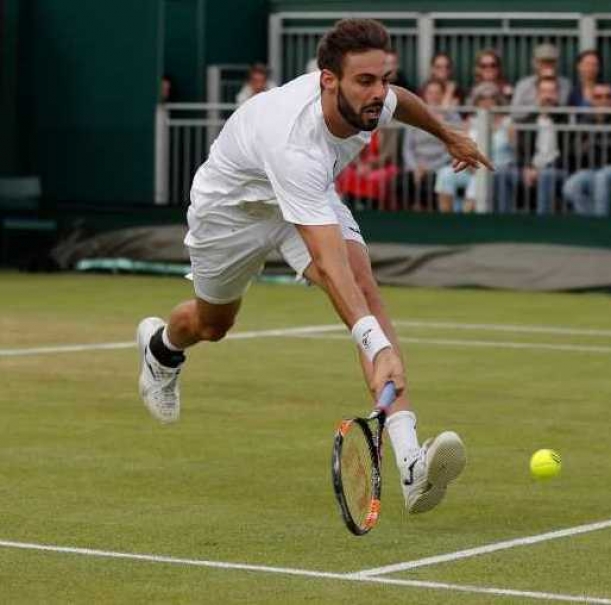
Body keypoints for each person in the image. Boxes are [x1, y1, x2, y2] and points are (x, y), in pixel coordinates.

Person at [136, 19, 491, 514]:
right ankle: (162, 351)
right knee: (212, 324)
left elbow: (402, 101)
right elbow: (327, 266)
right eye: (364, 82)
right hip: (232, 211)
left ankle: (411, 461)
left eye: (382, 78)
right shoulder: (294, 143)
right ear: (329, 80)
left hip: (304, 195)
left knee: (367, 291)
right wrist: (374, 343)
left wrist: (447, 133)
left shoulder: (375, 97)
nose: (378, 92)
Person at [434, 83, 514, 213]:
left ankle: (466, 222)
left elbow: (513, 152)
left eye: (492, 97)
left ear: (498, 100)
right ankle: (446, 219)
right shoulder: (469, 122)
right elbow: (461, 147)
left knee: (479, 180)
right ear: (477, 101)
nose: (487, 101)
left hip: (496, 169)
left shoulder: (508, 123)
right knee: (445, 174)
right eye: (482, 98)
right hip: (470, 168)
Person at [562, 82, 611, 216]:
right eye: (598, 97)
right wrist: (597, 144)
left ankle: (601, 221)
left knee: (602, 177)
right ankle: (591, 220)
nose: (603, 101)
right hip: (589, 169)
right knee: (570, 188)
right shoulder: (585, 120)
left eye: (607, 96)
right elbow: (575, 149)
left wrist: (591, 142)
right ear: (592, 100)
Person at [400, 80, 459, 211]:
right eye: (430, 93)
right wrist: (415, 167)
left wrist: (428, 168)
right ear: (424, 95)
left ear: (443, 95)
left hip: (439, 166)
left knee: (436, 179)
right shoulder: (414, 115)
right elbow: (407, 148)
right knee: (401, 181)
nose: (434, 96)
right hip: (416, 167)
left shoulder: (451, 117)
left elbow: (451, 149)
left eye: (438, 93)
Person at [518, 76, 568, 215]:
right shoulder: (527, 120)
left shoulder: (566, 119)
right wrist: (527, 167)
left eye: (551, 92)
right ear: (537, 94)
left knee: (546, 175)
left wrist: (540, 170)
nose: (548, 96)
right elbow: (520, 151)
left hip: (558, 169)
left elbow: (571, 153)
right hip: (530, 168)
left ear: (558, 95)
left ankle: (543, 223)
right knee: (502, 174)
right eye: (544, 92)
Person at [511, 42, 571, 120]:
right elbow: (514, 113)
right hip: (529, 128)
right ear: (534, 63)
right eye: (543, 62)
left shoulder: (565, 84)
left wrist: (555, 104)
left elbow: (569, 113)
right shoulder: (524, 85)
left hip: (558, 128)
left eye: (551, 62)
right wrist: (537, 105)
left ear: (557, 64)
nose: (547, 65)